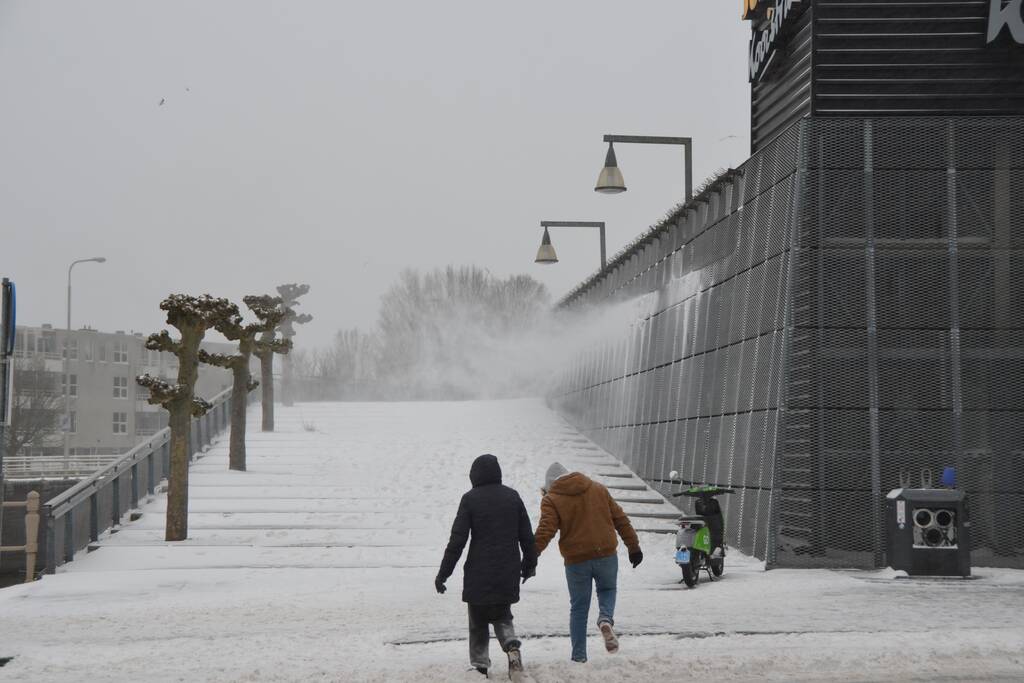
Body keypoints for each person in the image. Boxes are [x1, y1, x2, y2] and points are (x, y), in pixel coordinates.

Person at [436, 454, 537, 679]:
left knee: (478, 619)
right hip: (507, 570)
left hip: (478, 572)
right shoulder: (513, 497)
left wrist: (443, 573)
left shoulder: (470, 499)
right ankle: (512, 647)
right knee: (502, 614)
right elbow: (527, 537)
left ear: (475, 475)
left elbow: (457, 540)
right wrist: (529, 565)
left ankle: (480, 665)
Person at [534, 462, 642, 663]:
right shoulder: (598, 488)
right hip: (606, 555)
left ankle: (579, 657)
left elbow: (545, 530)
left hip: (576, 560)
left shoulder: (552, 499)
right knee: (608, 590)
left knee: (579, 608)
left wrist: (531, 557)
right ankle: (605, 620)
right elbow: (621, 519)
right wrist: (633, 547)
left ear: (549, 484)